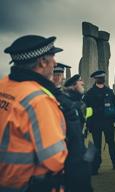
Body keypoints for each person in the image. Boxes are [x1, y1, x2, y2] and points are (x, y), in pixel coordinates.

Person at [0, 35, 68, 191]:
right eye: (53, 56)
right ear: (42, 61)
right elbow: (55, 159)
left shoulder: (3, 86)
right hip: (26, 184)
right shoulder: (38, 100)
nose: (55, 63)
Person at [55, 73, 93, 191]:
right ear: (72, 86)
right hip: (69, 159)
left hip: (78, 154)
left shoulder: (80, 102)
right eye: (80, 81)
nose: (83, 83)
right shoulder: (66, 104)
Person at [84, 70, 115, 175]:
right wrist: (88, 123)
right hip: (95, 123)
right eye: (99, 77)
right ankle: (95, 167)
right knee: (97, 146)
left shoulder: (109, 92)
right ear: (95, 79)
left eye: (102, 77)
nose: (101, 79)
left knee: (111, 143)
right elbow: (87, 110)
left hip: (108, 123)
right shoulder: (90, 93)